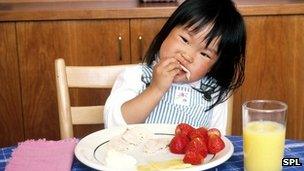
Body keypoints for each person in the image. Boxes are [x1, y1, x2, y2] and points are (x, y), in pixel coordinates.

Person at [104, 0, 246, 134]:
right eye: (184, 39)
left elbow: (216, 142)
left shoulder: (214, 93)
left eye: (205, 54)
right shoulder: (136, 77)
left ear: (213, 66)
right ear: (168, 31)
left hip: (188, 161)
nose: (188, 56)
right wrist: (156, 88)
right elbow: (113, 126)